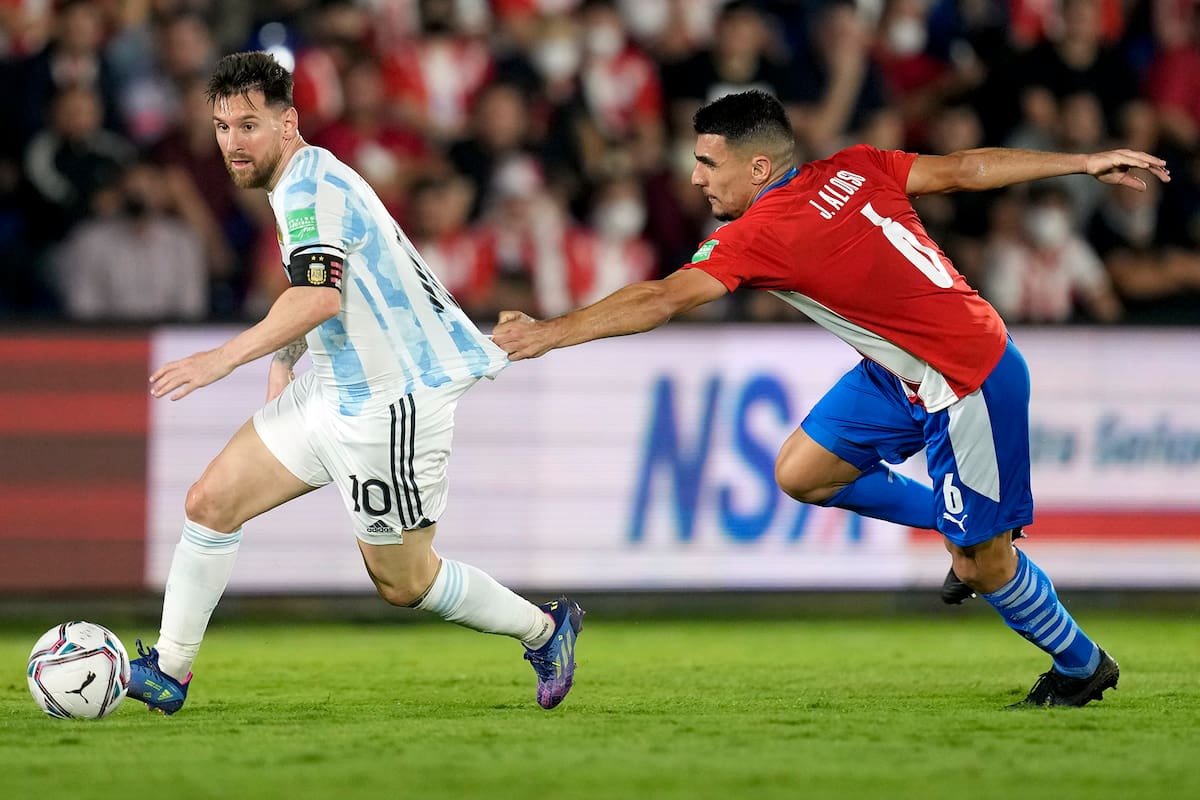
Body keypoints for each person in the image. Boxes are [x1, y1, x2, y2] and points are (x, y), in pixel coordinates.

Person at [492, 89, 1171, 707]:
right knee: (801, 472)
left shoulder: (762, 232)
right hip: (900, 370)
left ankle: (1082, 665)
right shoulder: (858, 165)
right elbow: (965, 169)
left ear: (758, 169)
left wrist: (552, 332)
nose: (695, 176)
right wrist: (1083, 161)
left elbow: (663, 296)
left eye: (707, 162)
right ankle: (958, 520)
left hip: (965, 377)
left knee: (984, 565)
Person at [126, 51, 583, 715]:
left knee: (404, 582)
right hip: (336, 385)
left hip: (392, 403)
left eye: (249, 125)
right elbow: (323, 288)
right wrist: (284, 363)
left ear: (289, 124)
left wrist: (222, 359)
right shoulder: (299, 184)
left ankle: (545, 630)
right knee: (209, 503)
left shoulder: (308, 186)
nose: (233, 142)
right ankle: (170, 670)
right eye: (222, 126)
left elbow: (318, 299)